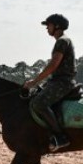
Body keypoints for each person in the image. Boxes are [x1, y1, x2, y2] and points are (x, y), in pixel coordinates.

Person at [23, 13, 77, 152]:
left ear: (57, 26)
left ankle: (60, 137)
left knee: (38, 103)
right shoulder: (62, 41)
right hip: (56, 81)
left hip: (62, 82)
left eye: (49, 25)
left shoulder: (62, 41)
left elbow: (53, 65)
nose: (47, 28)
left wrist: (35, 81)